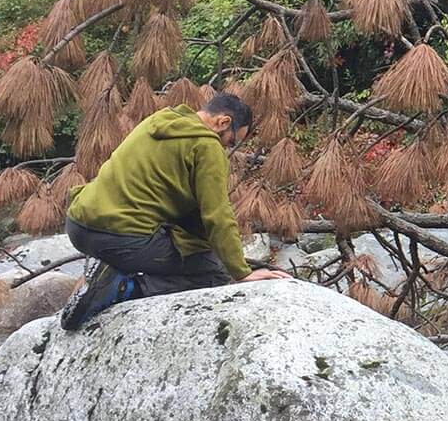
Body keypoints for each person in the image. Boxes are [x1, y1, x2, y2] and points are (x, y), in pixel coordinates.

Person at [59, 92, 290, 330]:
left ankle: (104, 272)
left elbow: (180, 207)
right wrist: (241, 273)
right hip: (118, 236)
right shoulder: (207, 145)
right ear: (224, 122)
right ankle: (120, 287)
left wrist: (231, 256)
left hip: (78, 224)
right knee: (214, 274)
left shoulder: (160, 120)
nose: (227, 147)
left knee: (197, 254)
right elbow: (217, 216)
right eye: (231, 141)